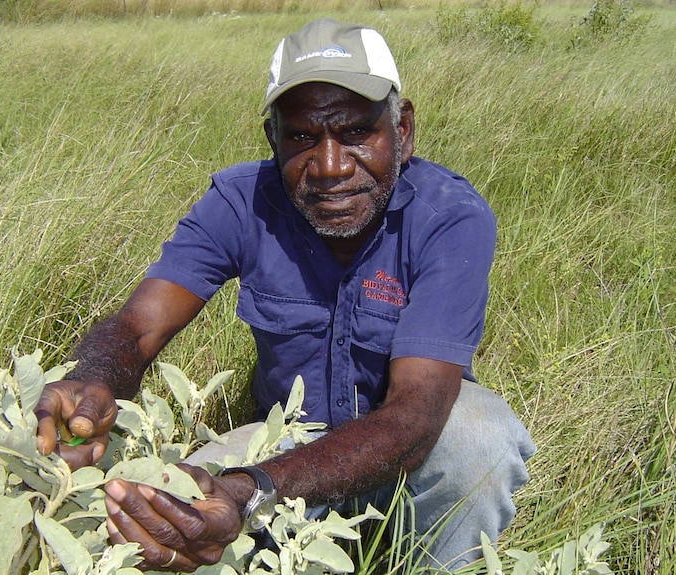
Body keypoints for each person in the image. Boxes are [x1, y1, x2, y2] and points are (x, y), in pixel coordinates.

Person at [34, 19, 535, 572]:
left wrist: (251, 490)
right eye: (300, 136)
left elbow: (417, 416)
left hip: (404, 453)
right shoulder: (239, 201)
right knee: (168, 516)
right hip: (282, 447)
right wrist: (94, 382)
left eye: (355, 132)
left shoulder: (447, 217)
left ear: (404, 131)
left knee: (479, 441)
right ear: (273, 139)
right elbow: (136, 327)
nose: (329, 167)